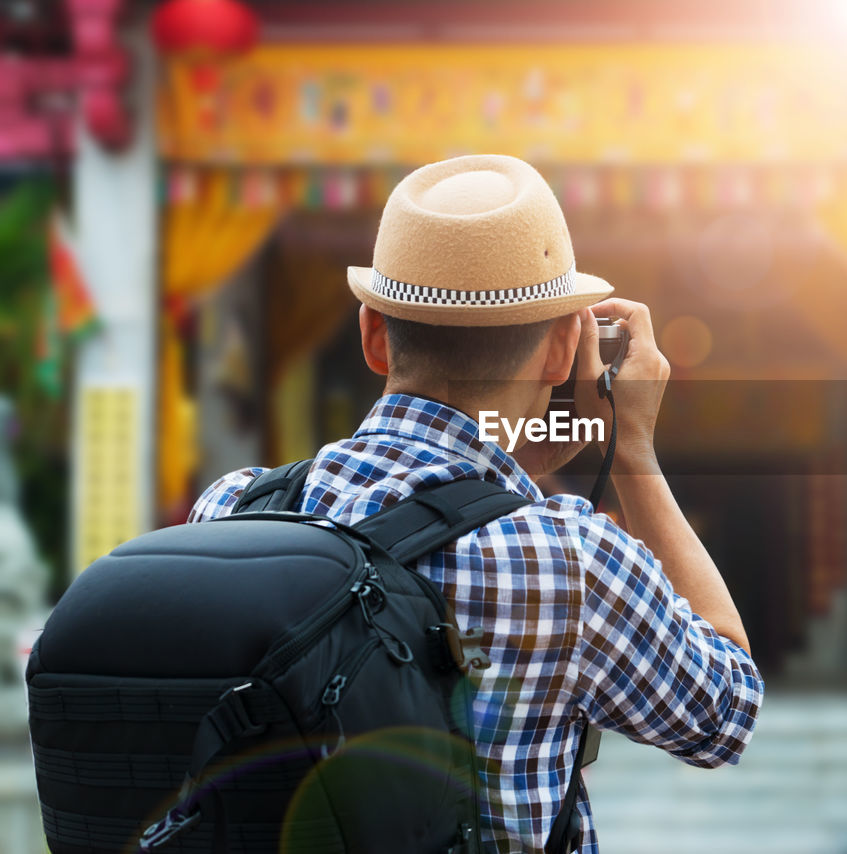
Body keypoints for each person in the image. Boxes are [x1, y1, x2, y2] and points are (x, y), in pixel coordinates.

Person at [189, 154, 763, 852]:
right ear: (562, 352)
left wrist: (500, 470)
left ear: (374, 336)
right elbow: (726, 710)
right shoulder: (572, 564)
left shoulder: (233, 509)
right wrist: (632, 451)